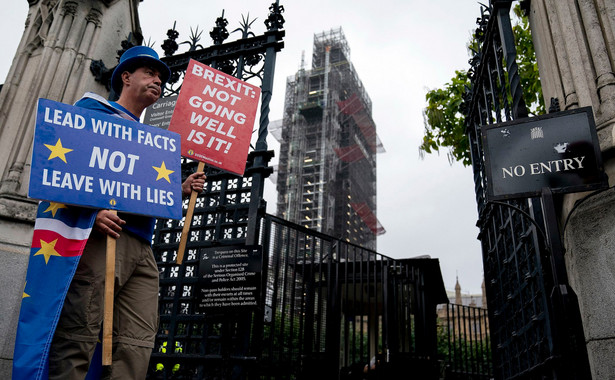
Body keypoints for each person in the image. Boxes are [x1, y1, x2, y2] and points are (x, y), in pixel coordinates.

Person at [47, 46, 206, 380]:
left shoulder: (152, 139)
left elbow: (140, 189)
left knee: (136, 342)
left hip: (141, 246)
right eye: (150, 73)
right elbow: (59, 170)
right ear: (125, 76)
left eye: (162, 78)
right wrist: (92, 212)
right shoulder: (91, 112)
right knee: (81, 331)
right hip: (103, 238)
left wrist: (181, 188)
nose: (158, 81)